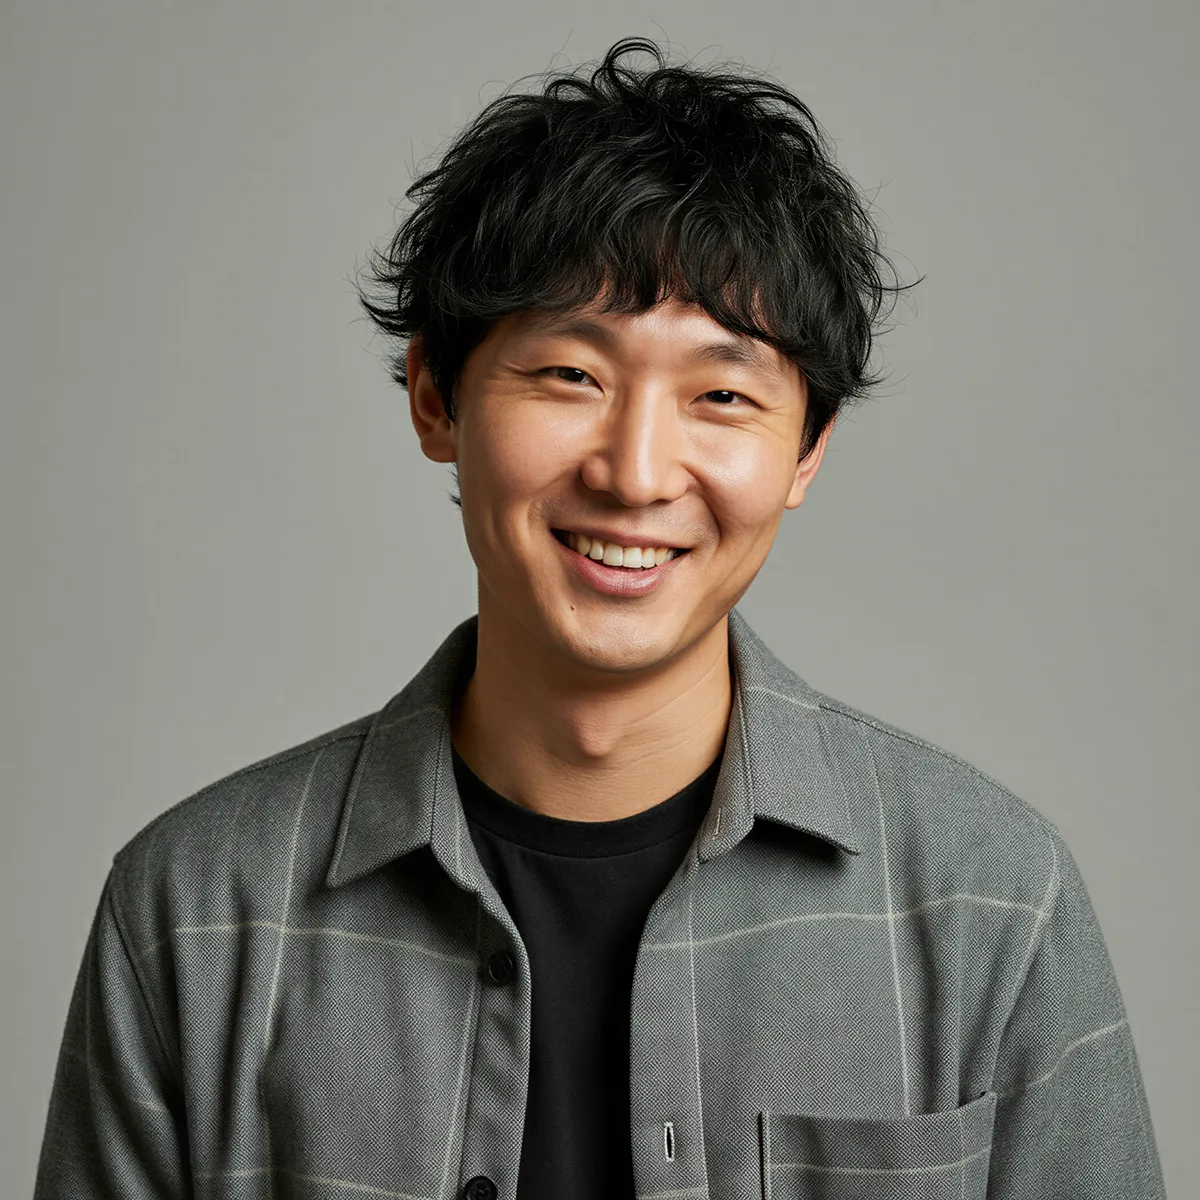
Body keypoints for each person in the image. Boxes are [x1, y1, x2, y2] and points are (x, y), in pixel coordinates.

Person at [34, 37, 1165, 1200]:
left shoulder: (990, 901)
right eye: (570, 375)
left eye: (722, 395)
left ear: (807, 452)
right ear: (434, 396)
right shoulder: (195, 915)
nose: (635, 472)